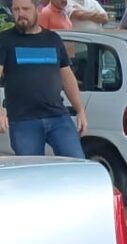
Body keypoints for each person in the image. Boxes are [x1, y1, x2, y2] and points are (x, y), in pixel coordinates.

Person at [0, 0, 87, 157]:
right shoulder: (4, 40)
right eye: (16, 10)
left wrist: (80, 109)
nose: (20, 14)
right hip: (23, 121)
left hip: (58, 117)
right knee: (32, 173)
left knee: (77, 164)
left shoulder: (53, 39)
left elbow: (67, 77)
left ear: (37, 9)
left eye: (25, 9)